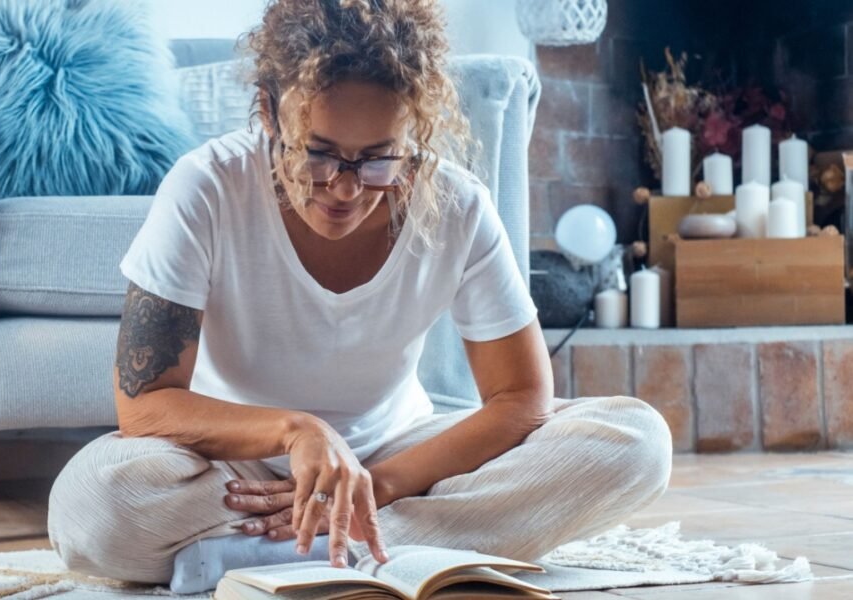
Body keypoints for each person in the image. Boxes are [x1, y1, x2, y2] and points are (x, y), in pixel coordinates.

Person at [47, 0, 672, 591]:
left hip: (398, 457)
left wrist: (380, 483)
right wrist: (296, 431)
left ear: (414, 133)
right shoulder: (205, 188)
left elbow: (522, 398)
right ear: (269, 112)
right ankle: (391, 551)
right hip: (236, 467)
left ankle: (316, 545)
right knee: (92, 503)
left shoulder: (456, 204)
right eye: (318, 154)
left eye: (378, 160)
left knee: (635, 441)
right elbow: (145, 406)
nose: (345, 188)